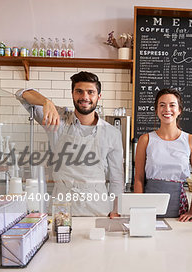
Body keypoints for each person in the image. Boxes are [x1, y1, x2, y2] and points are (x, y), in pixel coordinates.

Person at [15, 71, 124, 217]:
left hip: (98, 209)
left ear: (99, 97)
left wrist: (116, 210)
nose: (85, 97)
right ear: (72, 94)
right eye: (79, 91)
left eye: (90, 92)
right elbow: (21, 94)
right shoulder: (56, 120)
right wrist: (46, 102)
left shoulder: (112, 133)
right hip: (62, 206)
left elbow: (117, 178)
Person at [134, 88, 192, 222]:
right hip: (148, 207)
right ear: (156, 110)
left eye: (172, 105)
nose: (167, 109)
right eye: (162, 105)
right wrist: (139, 209)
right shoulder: (145, 140)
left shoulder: (191, 140)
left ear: (179, 110)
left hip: (179, 210)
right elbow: (139, 178)